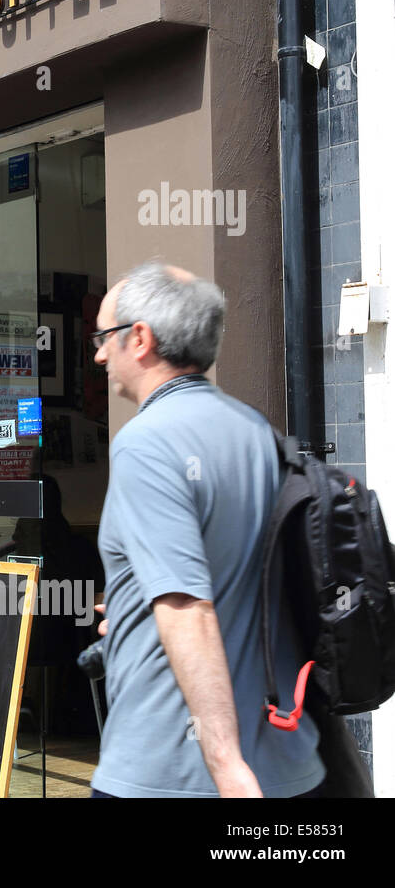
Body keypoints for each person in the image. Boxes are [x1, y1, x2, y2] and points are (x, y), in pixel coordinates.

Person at [89, 261, 324, 798]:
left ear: (140, 338)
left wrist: (226, 767)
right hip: (286, 757)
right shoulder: (258, 432)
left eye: (104, 337)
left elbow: (187, 608)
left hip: (175, 771)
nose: (100, 354)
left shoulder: (146, 444)